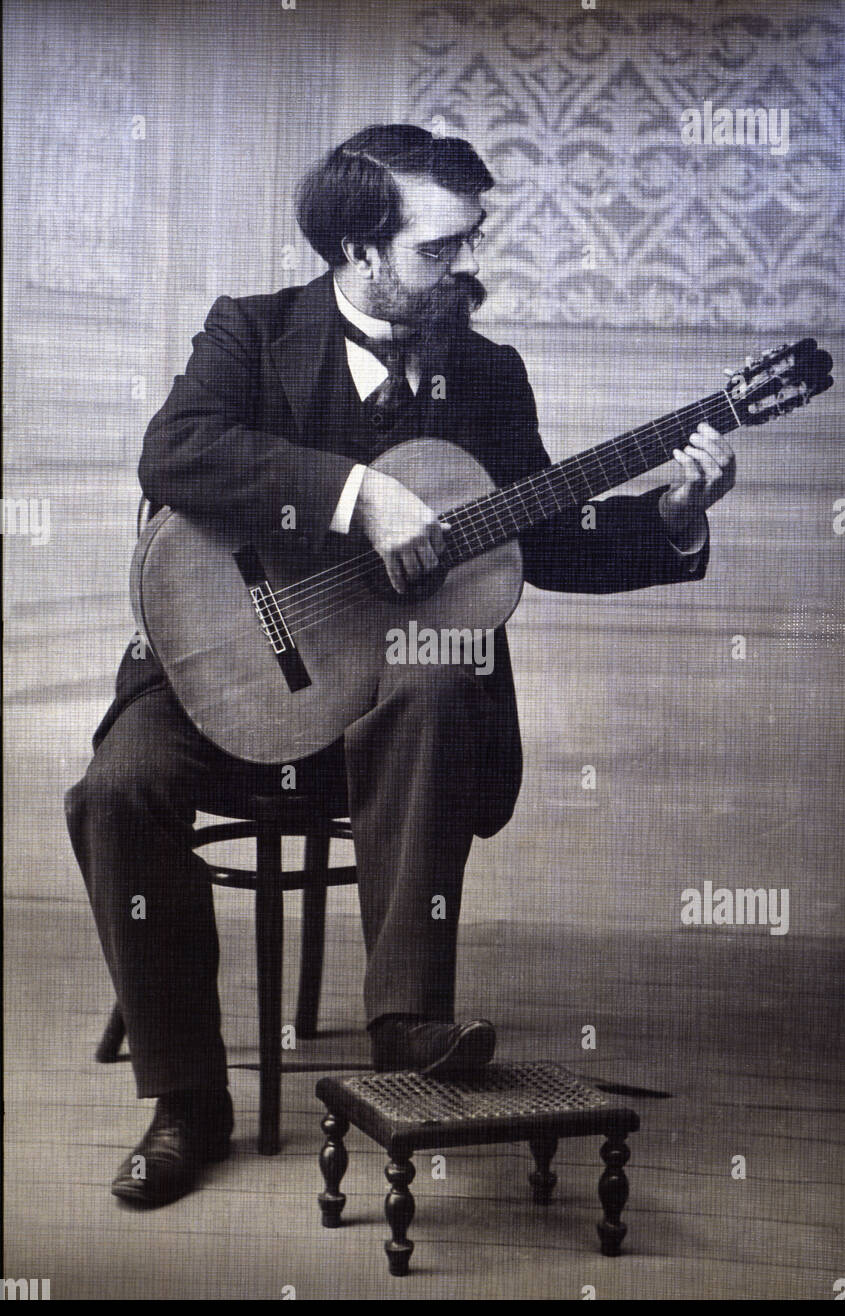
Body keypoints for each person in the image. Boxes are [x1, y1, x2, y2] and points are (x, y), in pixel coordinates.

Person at [65, 125, 735, 1209]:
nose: (466, 267)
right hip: (222, 665)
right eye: (439, 249)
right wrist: (357, 494)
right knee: (114, 791)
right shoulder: (252, 331)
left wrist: (667, 522)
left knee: (435, 667)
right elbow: (175, 453)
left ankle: (408, 1027)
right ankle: (187, 1100)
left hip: (390, 724)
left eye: (471, 241)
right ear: (358, 249)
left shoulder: (485, 372)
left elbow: (537, 536)